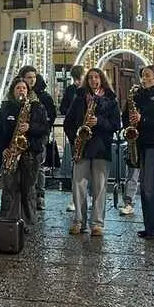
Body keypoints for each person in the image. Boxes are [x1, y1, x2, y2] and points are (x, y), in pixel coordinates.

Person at [64, 67, 121, 236]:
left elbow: (116, 125)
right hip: (82, 148)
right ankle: (79, 221)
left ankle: (97, 223)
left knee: (100, 187)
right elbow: (68, 122)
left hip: (101, 147)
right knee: (78, 186)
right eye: (90, 78)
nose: (93, 81)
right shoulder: (80, 98)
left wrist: (99, 122)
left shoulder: (111, 100)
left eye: (96, 77)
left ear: (102, 79)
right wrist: (76, 139)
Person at [0, 78, 51, 230]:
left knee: (28, 189)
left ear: (28, 91)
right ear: (13, 91)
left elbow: (45, 128)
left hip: (29, 153)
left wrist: (30, 127)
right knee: (9, 189)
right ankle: (7, 221)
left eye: (24, 88)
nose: (21, 91)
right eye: (18, 88)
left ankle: (28, 222)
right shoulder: (5, 108)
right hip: (10, 153)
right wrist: (2, 149)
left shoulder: (37, 107)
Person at [124, 66, 154, 239]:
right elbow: (127, 115)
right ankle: (150, 226)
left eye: (147, 76)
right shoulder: (138, 95)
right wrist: (129, 121)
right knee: (145, 188)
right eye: (142, 76)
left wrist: (142, 119)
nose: (144, 78)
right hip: (142, 144)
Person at [17, 65, 56, 211]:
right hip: (21, 136)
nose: (31, 80)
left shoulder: (44, 97)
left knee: (38, 166)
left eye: (33, 77)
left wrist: (39, 128)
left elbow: (50, 116)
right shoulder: (19, 92)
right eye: (28, 77)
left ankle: (39, 195)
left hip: (38, 136)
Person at [60, 65, 85, 213]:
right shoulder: (72, 91)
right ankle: (78, 198)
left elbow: (63, 108)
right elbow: (64, 108)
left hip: (81, 131)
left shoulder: (72, 90)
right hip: (75, 132)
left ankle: (81, 198)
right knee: (77, 164)